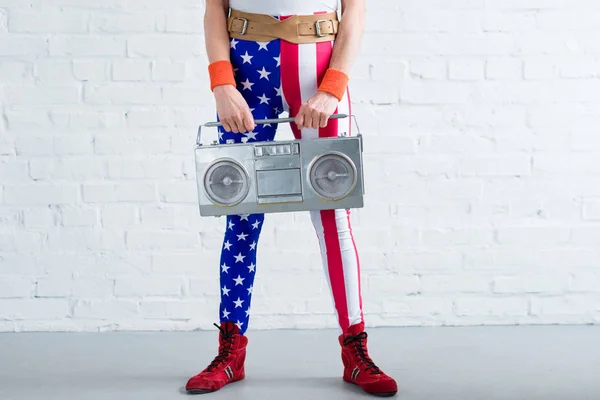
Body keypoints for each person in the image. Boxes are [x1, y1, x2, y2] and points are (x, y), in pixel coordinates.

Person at [185, 0, 398, 396]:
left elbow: (355, 9)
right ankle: (230, 350)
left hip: (317, 67)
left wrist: (332, 87)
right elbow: (215, 8)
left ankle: (356, 349)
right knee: (241, 210)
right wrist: (222, 85)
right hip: (246, 69)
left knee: (333, 210)